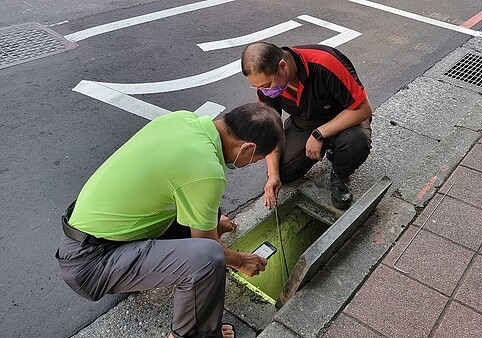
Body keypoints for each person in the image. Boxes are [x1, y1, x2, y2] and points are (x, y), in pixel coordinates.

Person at [55, 103, 284, 338]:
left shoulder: (183, 120)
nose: (251, 164)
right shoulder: (207, 171)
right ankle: (192, 334)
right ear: (247, 148)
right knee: (208, 258)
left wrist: (212, 223)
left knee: (206, 212)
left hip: (82, 237)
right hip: (91, 264)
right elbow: (208, 249)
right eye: (256, 160)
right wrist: (240, 261)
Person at [241, 42, 373, 210]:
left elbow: (364, 109)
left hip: (344, 117)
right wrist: (273, 175)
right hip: (305, 123)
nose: (264, 91)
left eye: (266, 85)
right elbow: (270, 129)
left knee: (356, 140)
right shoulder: (267, 86)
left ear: (283, 66)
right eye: (256, 86)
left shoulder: (325, 63)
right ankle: (331, 147)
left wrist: (320, 134)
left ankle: (340, 175)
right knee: (284, 173)